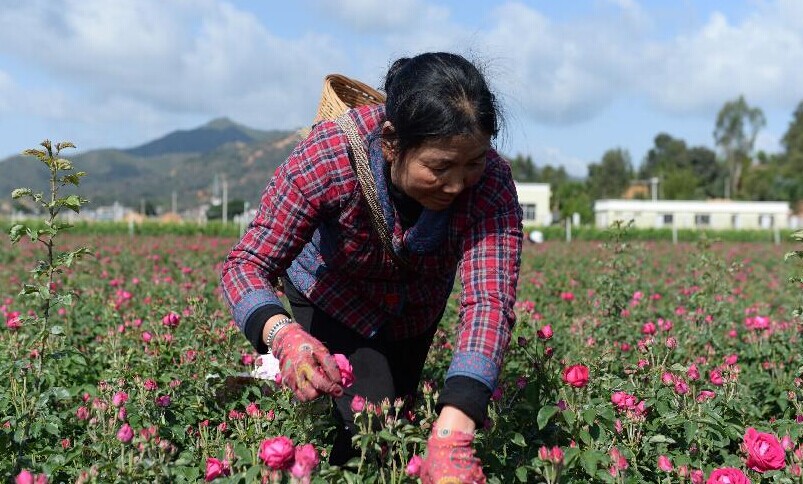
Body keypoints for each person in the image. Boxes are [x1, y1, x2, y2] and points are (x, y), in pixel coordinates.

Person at [221, 52, 522, 483]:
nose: (458, 184)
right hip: (331, 293)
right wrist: (284, 336)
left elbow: (489, 301)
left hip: (414, 306)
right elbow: (245, 265)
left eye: (472, 162)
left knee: (400, 428)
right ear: (391, 141)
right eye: (439, 167)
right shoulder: (329, 158)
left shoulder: (491, 185)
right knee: (373, 435)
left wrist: (456, 430)